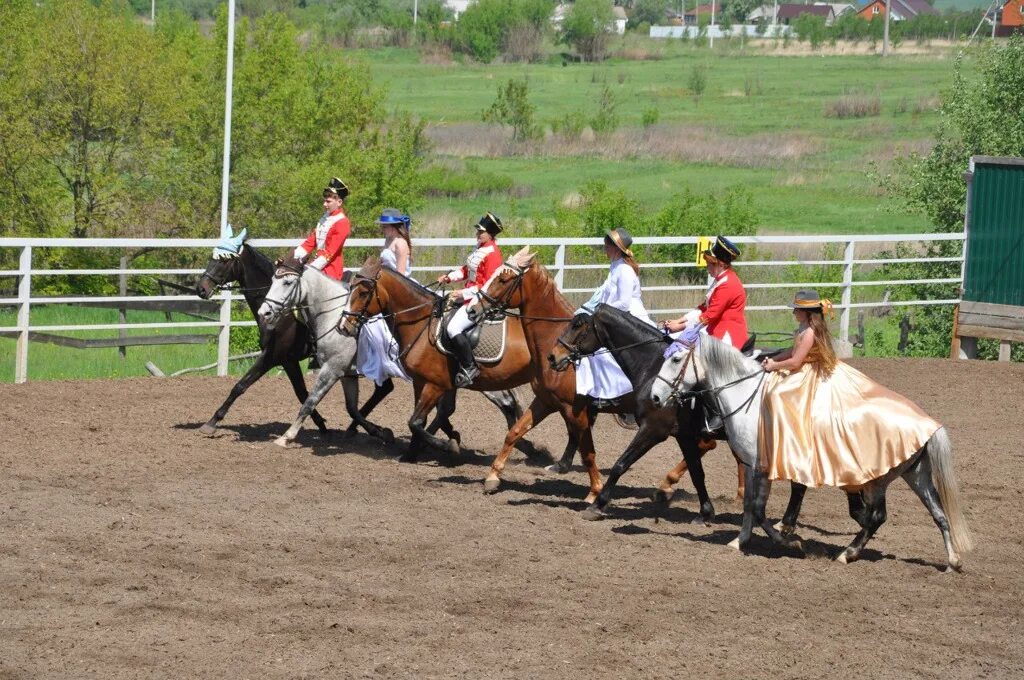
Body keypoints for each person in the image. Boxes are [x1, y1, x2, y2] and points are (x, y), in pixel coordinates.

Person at [759, 289, 941, 488]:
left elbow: (795, 362)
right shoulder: (803, 327)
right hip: (803, 367)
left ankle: (791, 440)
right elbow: (792, 351)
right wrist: (775, 358)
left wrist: (773, 366)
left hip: (809, 372)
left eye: (797, 309)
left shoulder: (810, 332)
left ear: (807, 312)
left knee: (778, 394)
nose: (794, 312)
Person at [575, 228, 655, 407]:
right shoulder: (615, 266)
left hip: (629, 319)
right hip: (614, 317)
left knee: (606, 353)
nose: (605, 249)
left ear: (617, 249)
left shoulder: (624, 271)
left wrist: (601, 313)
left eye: (607, 246)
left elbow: (624, 304)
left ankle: (617, 393)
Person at [436, 213, 504, 387]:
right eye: (478, 231)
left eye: (481, 232)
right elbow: (467, 271)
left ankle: (470, 366)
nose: (477, 234)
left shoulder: (493, 254)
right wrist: (448, 278)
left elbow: (487, 285)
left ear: (490, 234)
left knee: (453, 328)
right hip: (470, 294)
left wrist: (462, 293)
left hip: (481, 300)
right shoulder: (480, 248)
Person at [356, 209, 412, 387]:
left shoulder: (401, 244)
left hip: (398, 287)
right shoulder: (388, 240)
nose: (382, 228)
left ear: (394, 226)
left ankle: (393, 359)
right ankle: (376, 361)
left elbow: (401, 273)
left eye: (385, 225)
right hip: (384, 285)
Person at [662, 235, 747, 348]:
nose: (707, 268)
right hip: (714, 330)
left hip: (726, 337)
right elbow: (704, 308)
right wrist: (678, 321)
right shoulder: (721, 279)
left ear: (720, 264)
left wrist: (680, 327)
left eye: (710, 265)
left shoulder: (728, 284)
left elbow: (710, 315)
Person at [293, 177, 351, 281]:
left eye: (328, 201)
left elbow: (330, 253)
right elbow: (310, 243)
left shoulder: (342, 222)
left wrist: (311, 269)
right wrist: (292, 258)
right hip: (317, 266)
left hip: (330, 272)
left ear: (339, 202)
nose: (324, 204)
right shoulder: (325, 218)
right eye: (324, 201)